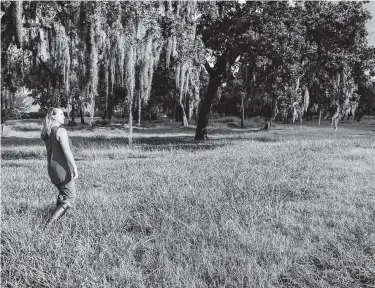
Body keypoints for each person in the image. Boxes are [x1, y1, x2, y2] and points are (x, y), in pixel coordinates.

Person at [41, 108, 78, 225]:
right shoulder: (61, 131)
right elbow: (67, 152)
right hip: (63, 169)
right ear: (53, 117)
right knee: (70, 198)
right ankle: (50, 224)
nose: (64, 116)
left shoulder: (47, 132)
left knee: (63, 194)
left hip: (52, 170)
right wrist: (75, 168)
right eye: (61, 114)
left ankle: (55, 221)